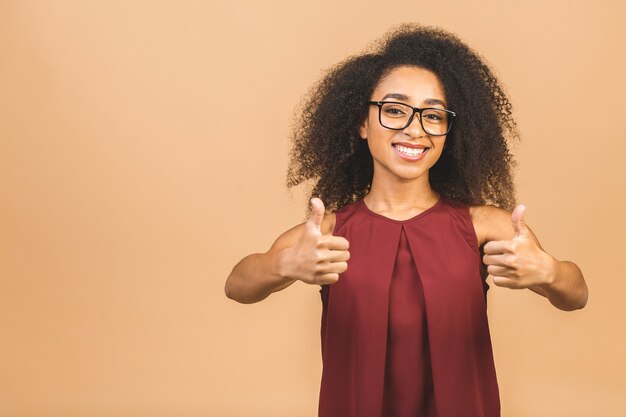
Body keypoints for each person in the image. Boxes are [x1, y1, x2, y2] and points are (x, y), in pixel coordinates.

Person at [224, 23, 588, 417]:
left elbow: (577, 295)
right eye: (394, 110)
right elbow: (237, 286)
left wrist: (549, 272)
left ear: (450, 131)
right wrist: (284, 264)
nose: (415, 129)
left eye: (433, 115)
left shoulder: (487, 226)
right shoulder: (327, 231)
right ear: (361, 124)